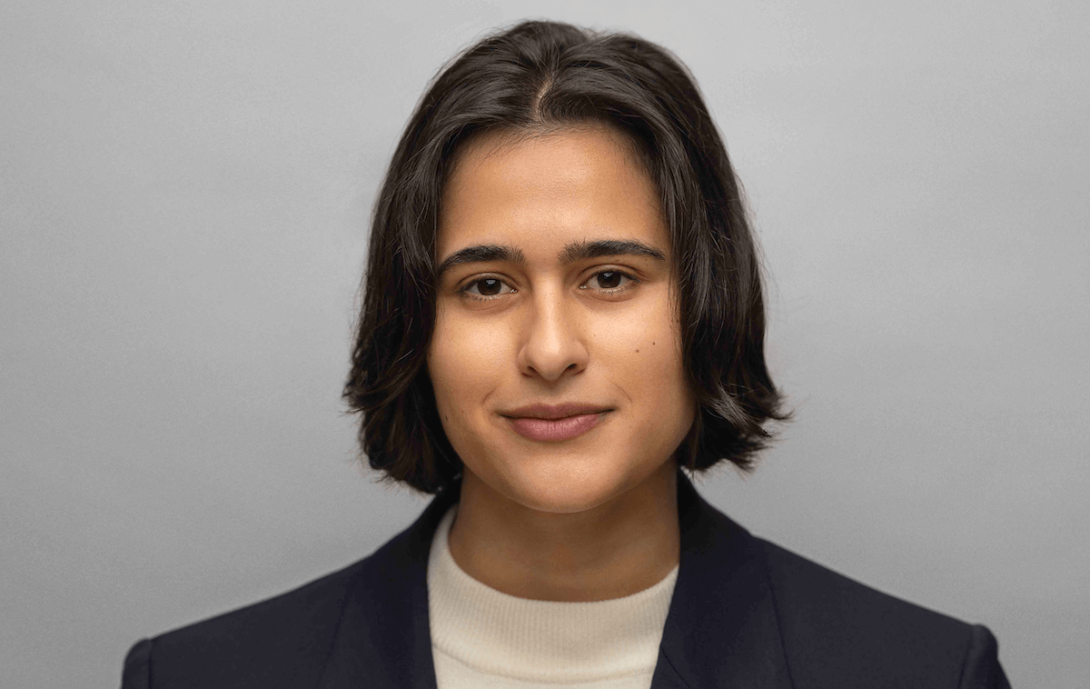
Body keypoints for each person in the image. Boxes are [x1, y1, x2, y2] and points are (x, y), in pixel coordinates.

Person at [120, 19, 1011, 689]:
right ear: (412, 327)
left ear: (706, 300)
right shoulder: (198, 677)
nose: (549, 350)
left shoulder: (926, 674)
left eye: (611, 277)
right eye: (486, 285)